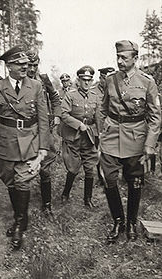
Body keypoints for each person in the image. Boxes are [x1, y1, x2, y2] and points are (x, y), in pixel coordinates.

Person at [0, 44, 50, 249]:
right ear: (8, 66)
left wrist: (43, 147)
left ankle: (20, 223)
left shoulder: (36, 86)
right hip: (4, 143)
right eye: (20, 64)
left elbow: (43, 119)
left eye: (26, 63)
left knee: (23, 181)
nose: (25, 67)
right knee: (10, 180)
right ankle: (20, 217)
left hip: (29, 140)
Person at [100, 40, 161, 242]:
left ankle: (132, 222)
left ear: (135, 59)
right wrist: (103, 129)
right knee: (108, 178)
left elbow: (155, 116)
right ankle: (118, 220)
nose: (119, 61)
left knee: (134, 180)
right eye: (117, 57)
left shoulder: (147, 81)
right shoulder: (110, 80)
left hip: (136, 136)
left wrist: (150, 144)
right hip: (111, 137)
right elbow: (104, 108)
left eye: (124, 57)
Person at [26, 50, 61, 218]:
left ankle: (47, 205)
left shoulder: (44, 79)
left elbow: (54, 97)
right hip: (26, 130)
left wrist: (57, 116)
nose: (32, 69)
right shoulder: (20, 81)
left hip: (44, 128)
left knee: (45, 168)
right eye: (29, 65)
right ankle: (22, 206)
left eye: (35, 65)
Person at [60, 65, 101, 208]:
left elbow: (98, 117)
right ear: (78, 80)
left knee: (90, 168)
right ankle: (65, 193)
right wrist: (79, 124)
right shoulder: (70, 95)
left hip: (89, 136)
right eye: (84, 80)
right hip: (74, 136)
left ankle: (87, 199)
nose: (86, 83)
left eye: (89, 80)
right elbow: (63, 114)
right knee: (73, 168)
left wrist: (99, 135)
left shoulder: (95, 96)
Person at [92, 67, 115, 187]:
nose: (107, 81)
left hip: (112, 128)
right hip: (98, 128)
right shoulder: (93, 91)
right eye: (105, 78)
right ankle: (101, 177)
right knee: (99, 154)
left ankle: (110, 177)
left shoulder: (114, 89)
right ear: (100, 78)